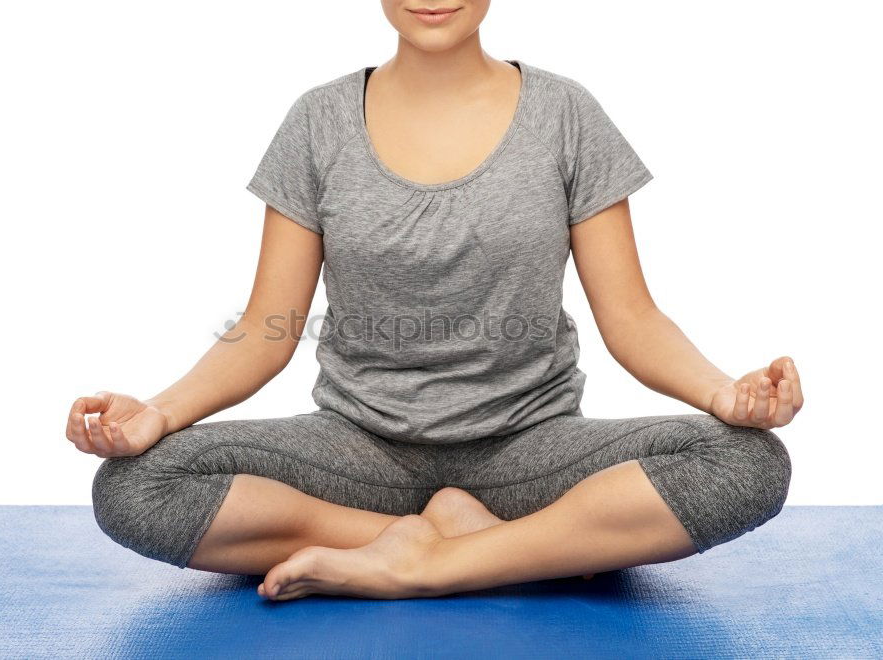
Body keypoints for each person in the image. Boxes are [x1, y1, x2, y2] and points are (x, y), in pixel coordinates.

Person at [66, 0, 803, 601]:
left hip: (531, 447)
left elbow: (633, 318)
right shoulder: (317, 121)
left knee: (748, 463)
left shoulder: (566, 114)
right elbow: (266, 326)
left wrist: (724, 395)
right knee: (135, 487)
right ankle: (493, 545)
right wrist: (160, 412)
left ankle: (421, 563)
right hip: (357, 450)